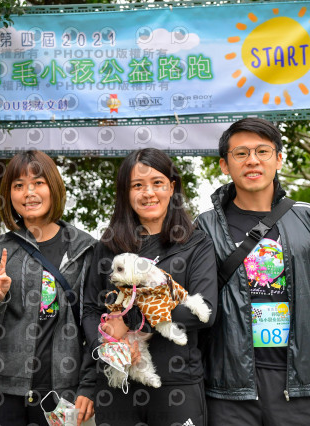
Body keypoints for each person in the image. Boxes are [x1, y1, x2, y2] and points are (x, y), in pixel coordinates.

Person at [196, 117, 310, 425]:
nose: (252, 160)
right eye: (241, 153)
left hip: (298, 386)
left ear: (279, 159)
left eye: (262, 151)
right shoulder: (205, 226)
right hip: (228, 389)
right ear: (224, 165)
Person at [82, 148, 218, 426]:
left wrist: (132, 321)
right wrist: (110, 346)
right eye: (137, 185)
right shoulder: (108, 247)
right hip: (117, 384)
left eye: (157, 183)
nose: (148, 193)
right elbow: (90, 310)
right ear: (125, 192)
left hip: (177, 384)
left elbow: (205, 312)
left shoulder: (196, 243)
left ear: (172, 187)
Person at [0, 150, 96, 426]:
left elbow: (97, 325)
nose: (29, 193)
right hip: (4, 391)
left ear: (53, 187)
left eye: (38, 183)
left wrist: (88, 386)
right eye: (19, 185)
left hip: (63, 390)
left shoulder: (85, 249)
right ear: (10, 195)